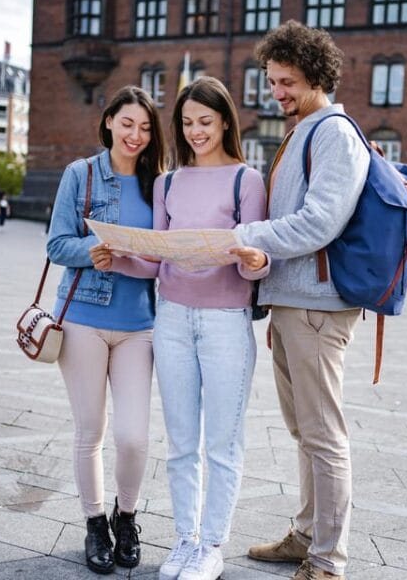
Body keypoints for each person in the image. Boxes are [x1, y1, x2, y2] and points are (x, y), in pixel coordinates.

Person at [92, 76, 269, 580]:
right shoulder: (168, 182)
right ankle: (185, 540)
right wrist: (120, 257)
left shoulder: (246, 181)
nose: (195, 132)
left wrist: (255, 258)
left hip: (225, 322)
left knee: (223, 443)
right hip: (170, 318)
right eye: (188, 123)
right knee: (181, 442)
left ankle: (212, 546)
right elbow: (157, 261)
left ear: (226, 122)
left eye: (206, 122)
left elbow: (257, 263)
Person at [229, 20, 371, 580]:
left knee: (324, 434)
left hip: (317, 308)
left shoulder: (333, 132)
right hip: (296, 305)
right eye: (271, 81)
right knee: (305, 432)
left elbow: (318, 223)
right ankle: (308, 535)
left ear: (316, 76)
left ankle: (328, 561)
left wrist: (245, 238)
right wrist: (276, 297)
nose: (277, 92)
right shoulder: (303, 129)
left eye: (286, 81)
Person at [46, 86, 167, 575]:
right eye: (127, 124)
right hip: (83, 321)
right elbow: (56, 243)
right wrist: (89, 252)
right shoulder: (80, 175)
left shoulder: (159, 184)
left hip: (139, 324)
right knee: (90, 431)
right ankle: (95, 522)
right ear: (109, 122)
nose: (135, 135)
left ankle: (127, 516)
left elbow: (166, 255)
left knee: (134, 436)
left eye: (144, 127)